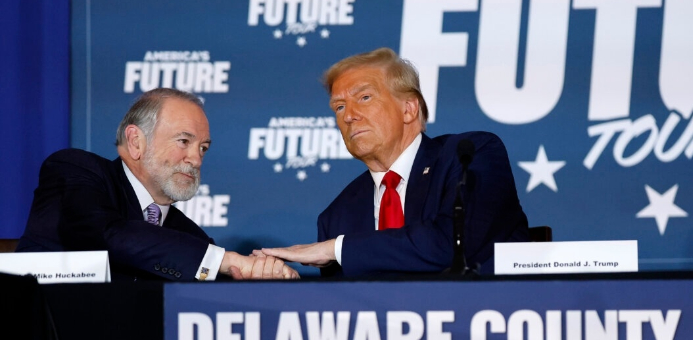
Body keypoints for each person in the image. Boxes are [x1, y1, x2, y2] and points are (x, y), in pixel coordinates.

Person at [261, 48, 529, 277]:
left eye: (364, 98)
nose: (349, 116)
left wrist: (336, 249)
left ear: (409, 109)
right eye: (339, 107)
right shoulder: (337, 216)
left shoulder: (469, 156)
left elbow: (453, 245)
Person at [16, 88, 299, 282]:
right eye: (184, 142)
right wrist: (228, 261)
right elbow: (106, 234)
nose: (196, 159)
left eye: (203, 148)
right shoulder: (74, 169)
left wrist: (263, 275)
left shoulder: (190, 237)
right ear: (136, 141)